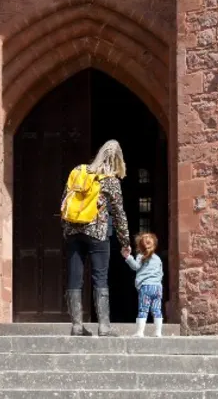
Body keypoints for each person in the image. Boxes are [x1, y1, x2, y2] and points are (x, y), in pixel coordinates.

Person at [62, 140, 132, 337]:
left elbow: (65, 202)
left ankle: (76, 326)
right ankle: (104, 326)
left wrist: (67, 231)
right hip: (98, 233)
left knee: (75, 276)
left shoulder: (79, 171)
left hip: (74, 231)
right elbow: (119, 214)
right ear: (117, 160)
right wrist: (125, 242)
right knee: (99, 277)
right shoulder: (110, 180)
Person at [124, 232, 164, 337]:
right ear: (154, 245)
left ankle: (140, 332)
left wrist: (128, 257)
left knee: (143, 309)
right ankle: (158, 332)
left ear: (140, 246)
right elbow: (161, 273)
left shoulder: (141, 257)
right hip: (158, 287)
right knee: (157, 309)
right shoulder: (158, 259)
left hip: (146, 286)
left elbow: (135, 267)